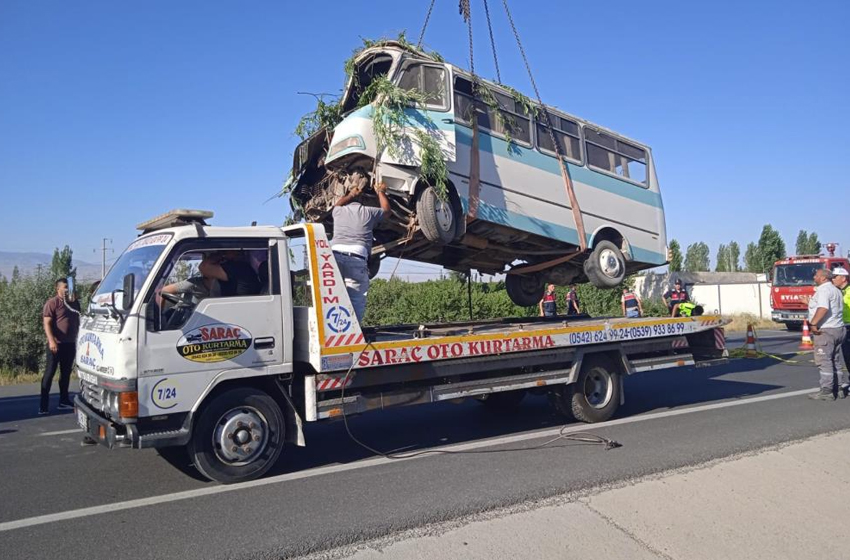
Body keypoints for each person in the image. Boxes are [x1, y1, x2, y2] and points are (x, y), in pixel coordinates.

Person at [331, 181, 391, 321]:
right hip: (356, 258)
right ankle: (354, 330)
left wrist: (351, 194)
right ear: (363, 202)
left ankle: (334, 327)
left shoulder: (338, 211)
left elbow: (337, 204)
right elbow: (387, 211)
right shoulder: (368, 212)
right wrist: (380, 192)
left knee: (333, 295)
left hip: (334, 258)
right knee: (356, 299)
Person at [40, 278, 80, 415]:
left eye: (68, 286)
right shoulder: (52, 303)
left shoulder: (74, 303)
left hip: (69, 343)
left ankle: (63, 401)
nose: (67, 289)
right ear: (58, 289)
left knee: (66, 373)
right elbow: (47, 323)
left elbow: (78, 319)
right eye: (65, 287)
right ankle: (43, 405)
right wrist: (51, 340)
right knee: (50, 373)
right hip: (56, 344)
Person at [806, 268, 847, 401]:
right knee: (835, 360)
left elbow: (823, 308)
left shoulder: (824, 290)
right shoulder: (836, 289)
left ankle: (827, 391)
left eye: (816, 275)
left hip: (826, 330)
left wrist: (813, 324)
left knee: (824, 361)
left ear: (823, 278)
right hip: (838, 328)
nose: (814, 278)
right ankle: (839, 388)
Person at [830, 266, 850, 395]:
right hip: (843, 326)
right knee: (847, 357)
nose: (832, 280)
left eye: (835, 277)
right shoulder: (839, 291)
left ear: (843, 278)